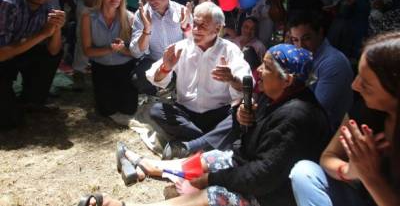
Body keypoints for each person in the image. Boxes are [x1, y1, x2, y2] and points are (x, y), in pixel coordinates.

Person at [77, 43, 330, 206]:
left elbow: (264, 175)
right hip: (250, 168)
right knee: (213, 157)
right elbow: (249, 146)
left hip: (271, 196)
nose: (259, 70)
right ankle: (148, 165)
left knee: (211, 196)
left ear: (288, 80)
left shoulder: (297, 116)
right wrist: (245, 122)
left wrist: (212, 179)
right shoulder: (273, 96)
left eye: (266, 66)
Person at [289, 32, 400, 206]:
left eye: (366, 85)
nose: (354, 85)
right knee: (304, 172)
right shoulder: (365, 109)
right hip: (361, 195)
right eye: (358, 75)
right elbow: (328, 157)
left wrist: (372, 178)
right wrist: (351, 170)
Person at [146, 2, 252, 160]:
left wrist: (231, 78)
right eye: (194, 24)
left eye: (202, 26)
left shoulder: (230, 50)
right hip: (186, 114)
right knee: (155, 110)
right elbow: (153, 76)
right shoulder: (181, 47)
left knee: (240, 115)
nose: (195, 30)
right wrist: (166, 68)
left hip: (219, 114)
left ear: (217, 29)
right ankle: (212, 141)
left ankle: (189, 147)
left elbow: (247, 84)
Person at [0, 0, 65, 130]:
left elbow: (54, 51)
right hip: (3, 57)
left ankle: (31, 100)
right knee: (8, 122)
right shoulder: (6, 2)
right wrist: (43, 33)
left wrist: (57, 28)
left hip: (15, 55)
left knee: (50, 55)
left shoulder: (48, 8)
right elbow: (1, 54)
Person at [81, 0, 138, 125]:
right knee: (106, 111)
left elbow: (135, 53)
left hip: (125, 67)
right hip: (101, 68)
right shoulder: (88, 17)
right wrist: (110, 49)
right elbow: (87, 51)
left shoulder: (129, 17)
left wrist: (122, 49)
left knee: (129, 109)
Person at [288, 10, 353, 134]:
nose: (300, 46)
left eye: (306, 38)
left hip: (327, 136)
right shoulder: (304, 58)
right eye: (295, 40)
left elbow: (314, 112)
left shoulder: (333, 63)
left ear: (320, 32)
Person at [129, 0, 188, 95]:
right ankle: (156, 93)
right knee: (138, 78)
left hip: (180, 61)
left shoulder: (181, 11)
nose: (152, 0)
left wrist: (187, 28)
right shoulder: (141, 14)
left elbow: (194, 43)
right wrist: (147, 29)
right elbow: (136, 53)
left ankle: (175, 87)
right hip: (154, 61)